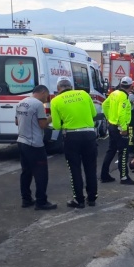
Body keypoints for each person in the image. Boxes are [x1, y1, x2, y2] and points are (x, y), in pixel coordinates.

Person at [50, 77, 98, 208]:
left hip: (72, 137)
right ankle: (92, 198)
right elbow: (93, 113)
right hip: (89, 135)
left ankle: (79, 200)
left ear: (59, 89)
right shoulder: (84, 94)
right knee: (91, 168)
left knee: (75, 169)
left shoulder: (55, 101)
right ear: (71, 86)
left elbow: (56, 126)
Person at [15, 85, 57, 210]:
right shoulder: (38, 105)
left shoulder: (20, 103)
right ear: (43, 92)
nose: (47, 99)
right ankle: (41, 201)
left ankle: (26, 199)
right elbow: (43, 124)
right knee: (41, 173)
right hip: (34, 144)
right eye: (47, 96)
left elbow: (17, 122)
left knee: (26, 172)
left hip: (21, 141)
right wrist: (54, 116)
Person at [100, 76, 134, 185]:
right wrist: (124, 128)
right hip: (120, 128)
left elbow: (104, 105)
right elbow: (121, 113)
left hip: (112, 126)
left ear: (121, 84)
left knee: (111, 150)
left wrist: (109, 118)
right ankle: (124, 177)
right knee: (123, 152)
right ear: (130, 86)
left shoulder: (114, 93)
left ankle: (104, 174)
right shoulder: (124, 97)